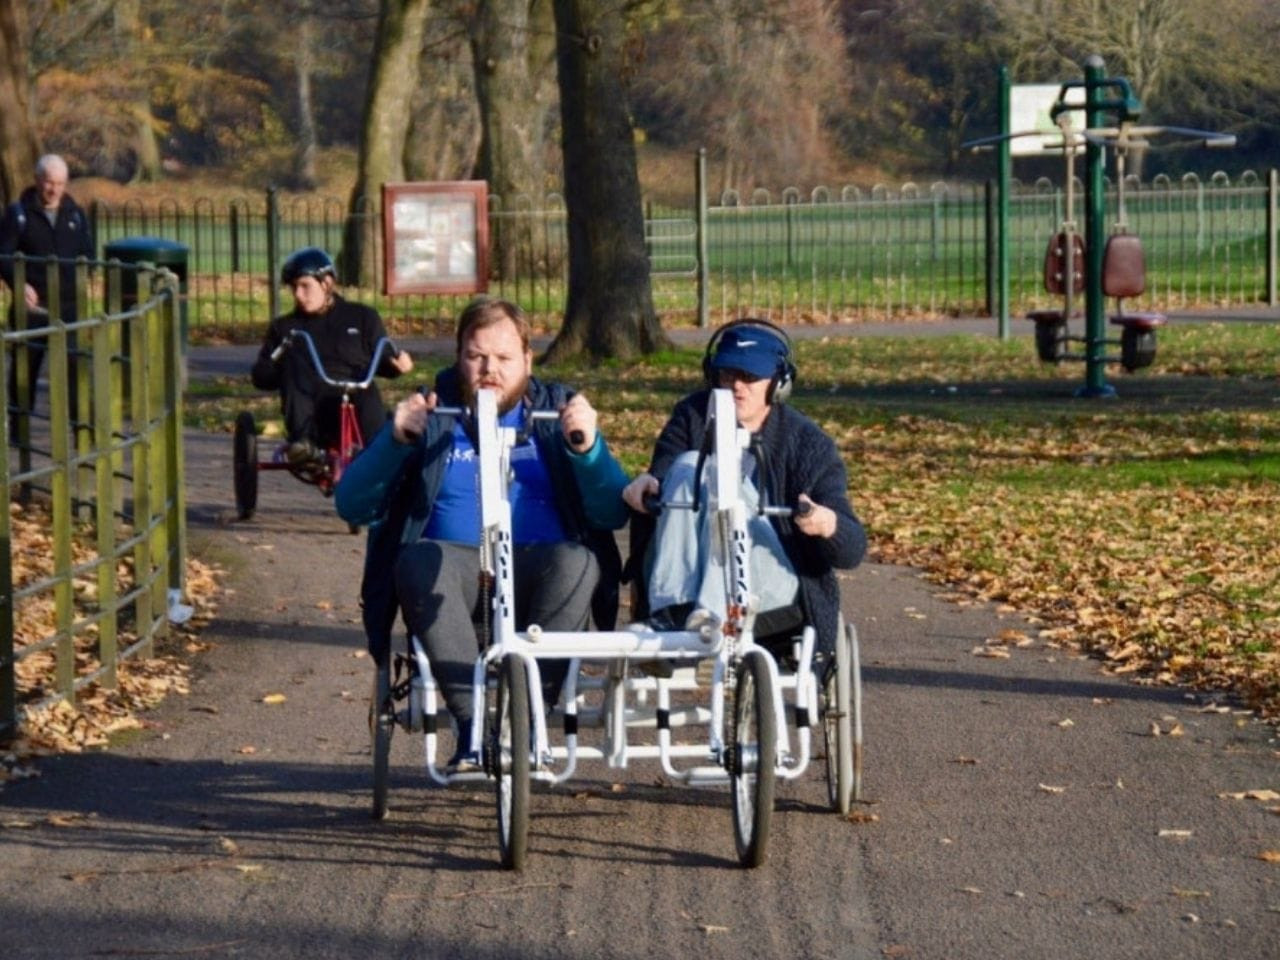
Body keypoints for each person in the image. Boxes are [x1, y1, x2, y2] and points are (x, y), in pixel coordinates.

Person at [335, 297, 629, 771]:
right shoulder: (431, 416)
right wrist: (394, 443)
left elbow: (612, 511)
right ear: (459, 357)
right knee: (416, 558)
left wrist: (589, 450)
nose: (490, 369)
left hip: (540, 577)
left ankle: (531, 722)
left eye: (505, 358)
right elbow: (352, 504)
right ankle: (471, 728)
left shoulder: (556, 414)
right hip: (455, 577)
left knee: (579, 561)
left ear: (528, 360)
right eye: (476, 357)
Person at [623, 318, 867, 674]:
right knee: (693, 464)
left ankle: (699, 622)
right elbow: (664, 475)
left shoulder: (808, 444)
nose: (736, 386)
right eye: (726, 375)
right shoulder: (691, 416)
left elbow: (852, 548)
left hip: (768, 583)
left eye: (749, 378)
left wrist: (826, 522)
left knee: (722, 479)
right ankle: (678, 614)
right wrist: (645, 485)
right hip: (687, 577)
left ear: (778, 385)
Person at [251, 247, 413, 463]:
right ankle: (304, 445)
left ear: (326, 283)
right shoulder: (285, 328)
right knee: (294, 370)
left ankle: (378, 452)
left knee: (366, 391)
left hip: (354, 397)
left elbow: (383, 360)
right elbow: (261, 376)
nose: (298, 295)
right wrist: (276, 364)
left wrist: (397, 364)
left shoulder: (362, 317)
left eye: (305, 286)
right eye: (294, 288)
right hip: (311, 406)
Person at [0, 154, 95, 422]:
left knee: (76, 367)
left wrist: (84, 272)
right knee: (24, 370)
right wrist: (19, 285)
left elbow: (87, 251)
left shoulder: (74, 214)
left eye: (60, 183)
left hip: (68, 305)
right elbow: (3, 255)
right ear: (37, 180)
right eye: (49, 182)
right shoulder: (18, 214)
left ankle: (81, 429)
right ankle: (20, 432)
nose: (54, 189)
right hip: (32, 309)